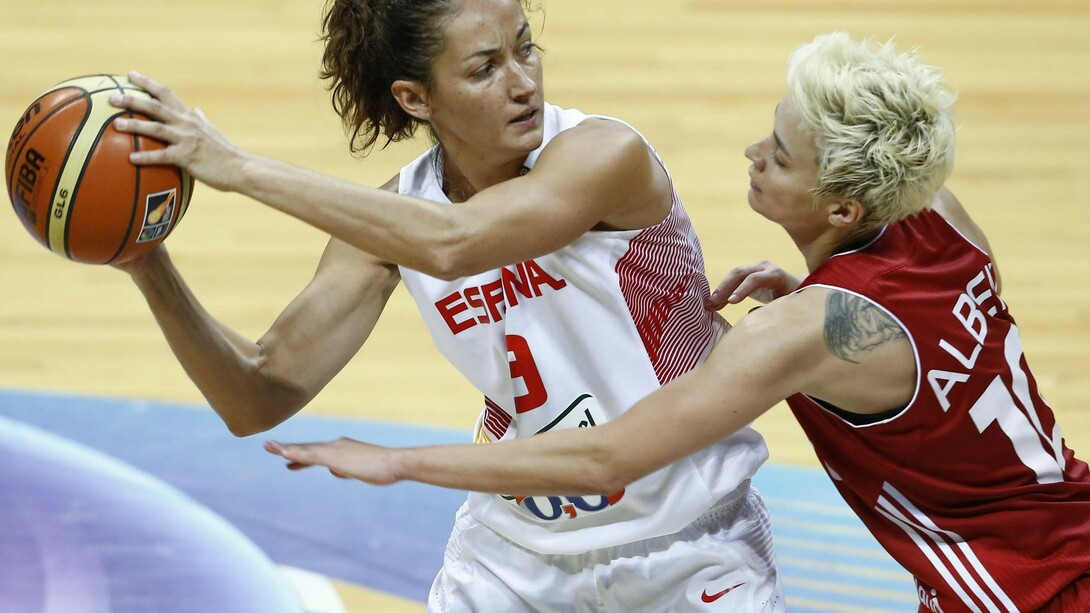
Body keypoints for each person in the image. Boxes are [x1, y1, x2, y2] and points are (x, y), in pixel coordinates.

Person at [267, 31, 1090, 612]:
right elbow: (920, 327)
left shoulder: (807, 332)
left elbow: (608, 453)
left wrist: (398, 461)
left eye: (780, 152)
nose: (750, 153)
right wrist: (817, 287)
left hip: (1017, 584)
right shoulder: (938, 212)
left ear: (842, 203)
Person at [108, 0, 784, 609]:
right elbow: (255, 394)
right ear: (416, 97)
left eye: (525, 48)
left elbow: (456, 242)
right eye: (485, 68)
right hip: (514, 559)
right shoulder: (397, 221)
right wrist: (146, 264)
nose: (522, 82)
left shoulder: (605, 155)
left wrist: (241, 168)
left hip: (686, 542)